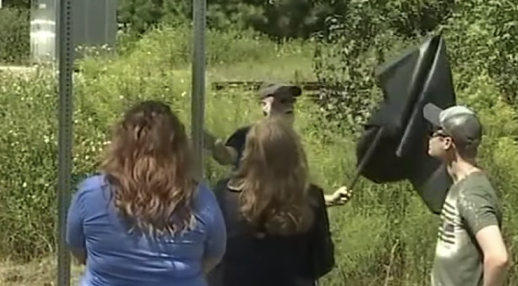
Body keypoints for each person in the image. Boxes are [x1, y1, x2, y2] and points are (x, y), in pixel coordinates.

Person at [66, 100, 227, 286]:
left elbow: (77, 247)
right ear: (178, 149)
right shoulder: (200, 197)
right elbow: (214, 254)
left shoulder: (91, 193)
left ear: (120, 144)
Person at [210, 117, 337, 286]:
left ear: (249, 153)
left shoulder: (223, 194)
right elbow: (322, 263)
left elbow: (208, 254)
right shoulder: (311, 197)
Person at [205, 82, 352, 207]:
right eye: (281, 101)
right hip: (251, 216)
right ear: (264, 106)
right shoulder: (250, 135)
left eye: (291, 101)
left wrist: (329, 200)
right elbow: (227, 157)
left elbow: (292, 194)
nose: (289, 106)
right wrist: (214, 144)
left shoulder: (291, 141)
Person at [424, 104, 510, 286]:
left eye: (433, 131)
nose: (429, 137)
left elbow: (498, 257)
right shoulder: (461, 185)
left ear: (447, 143)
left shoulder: (472, 194)